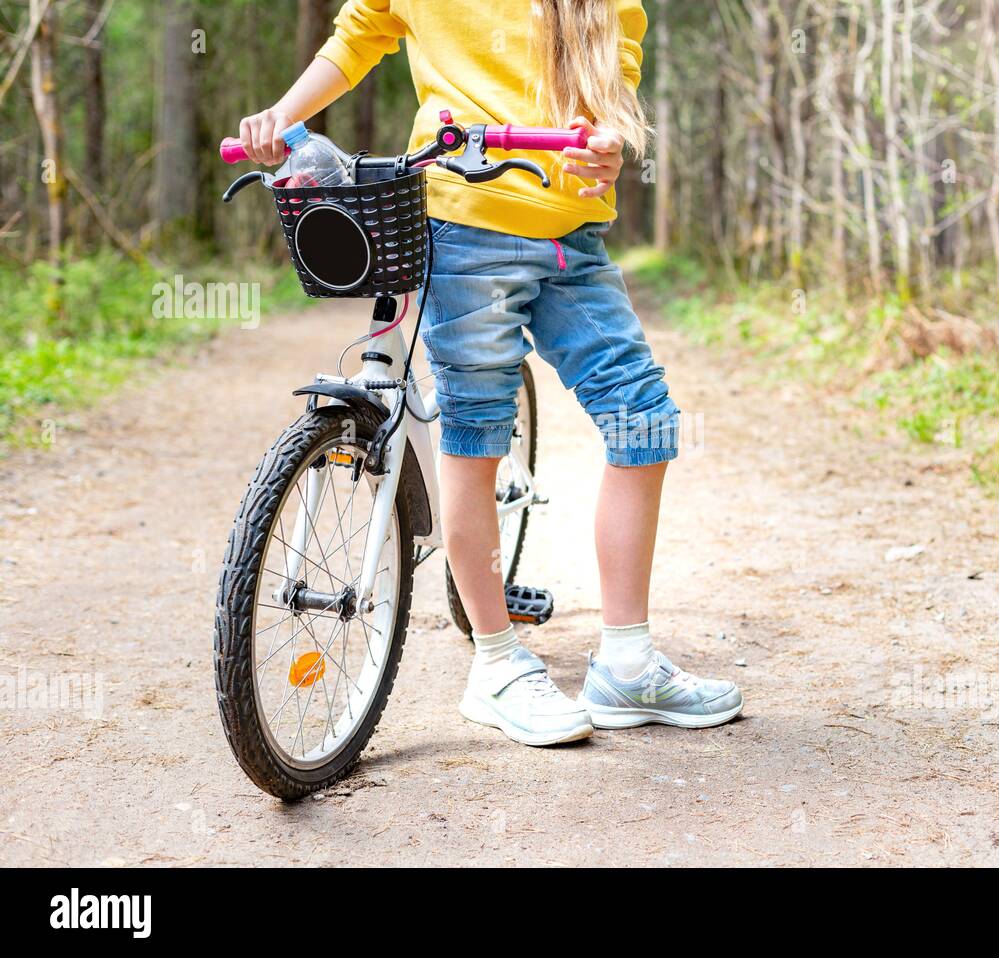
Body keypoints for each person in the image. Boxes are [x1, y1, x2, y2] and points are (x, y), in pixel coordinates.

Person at [238, 0, 742, 746]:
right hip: (468, 233)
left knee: (644, 422)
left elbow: (614, 100)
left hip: (573, 238)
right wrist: (281, 114)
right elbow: (356, 40)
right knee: (474, 442)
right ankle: (499, 666)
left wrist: (607, 148)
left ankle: (627, 662)